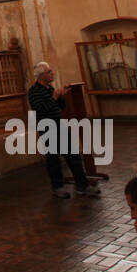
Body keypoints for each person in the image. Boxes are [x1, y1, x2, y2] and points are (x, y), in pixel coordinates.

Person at [26, 61, 99, 198]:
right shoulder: (34, 91)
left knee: (74, 156)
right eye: (49, 72)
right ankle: (57, 187)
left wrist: (60, 96)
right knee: (53, 159)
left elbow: (60, 107)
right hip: (47, 127)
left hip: (59, 124)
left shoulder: (49, 88)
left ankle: (82, 185)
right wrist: (54, 97)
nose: (52, 74)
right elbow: (41, 109)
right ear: (41, 75)